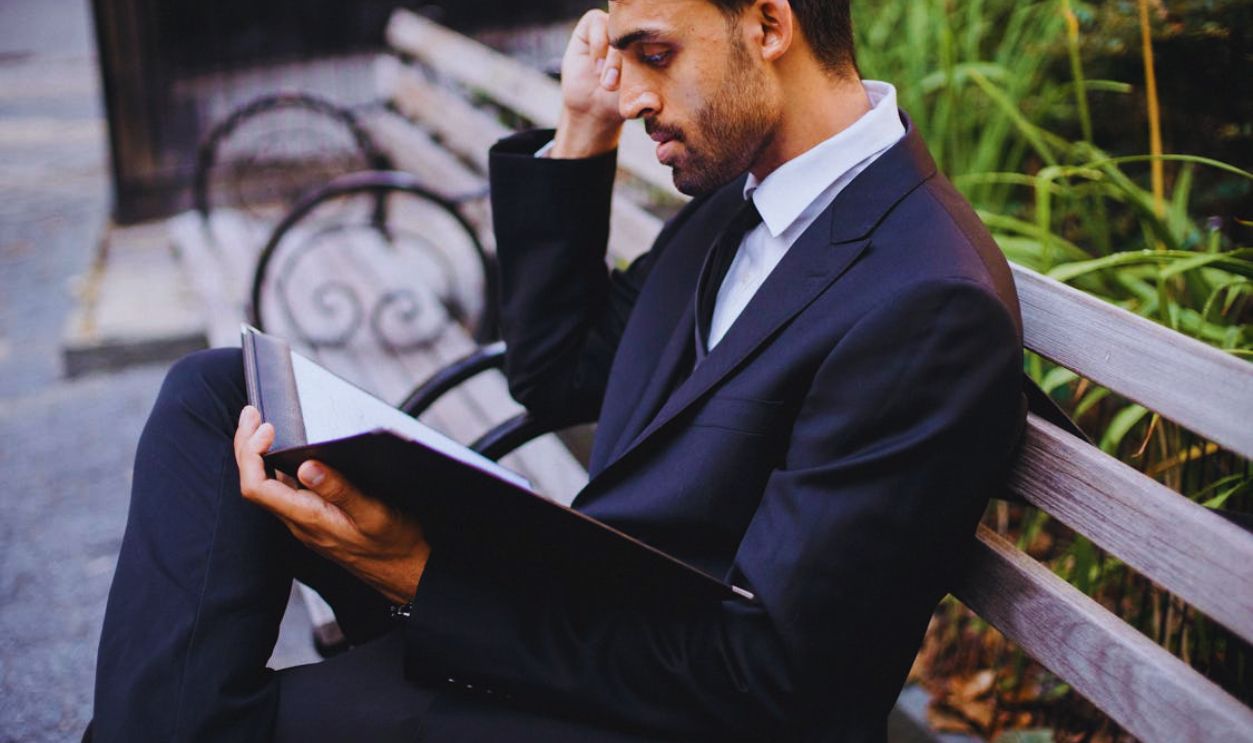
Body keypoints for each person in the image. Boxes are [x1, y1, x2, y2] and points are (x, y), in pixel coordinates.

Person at [92, 0, 1027, 740]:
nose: (629, 94)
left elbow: (774, 678)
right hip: (576, 609)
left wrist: (427, 577)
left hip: (648, 704)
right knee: (220, 396)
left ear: (769, 24)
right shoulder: (748, 203)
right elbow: (560, 374)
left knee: (202, 723)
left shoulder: (924, 300)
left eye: (653, 54)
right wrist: (579, 130)